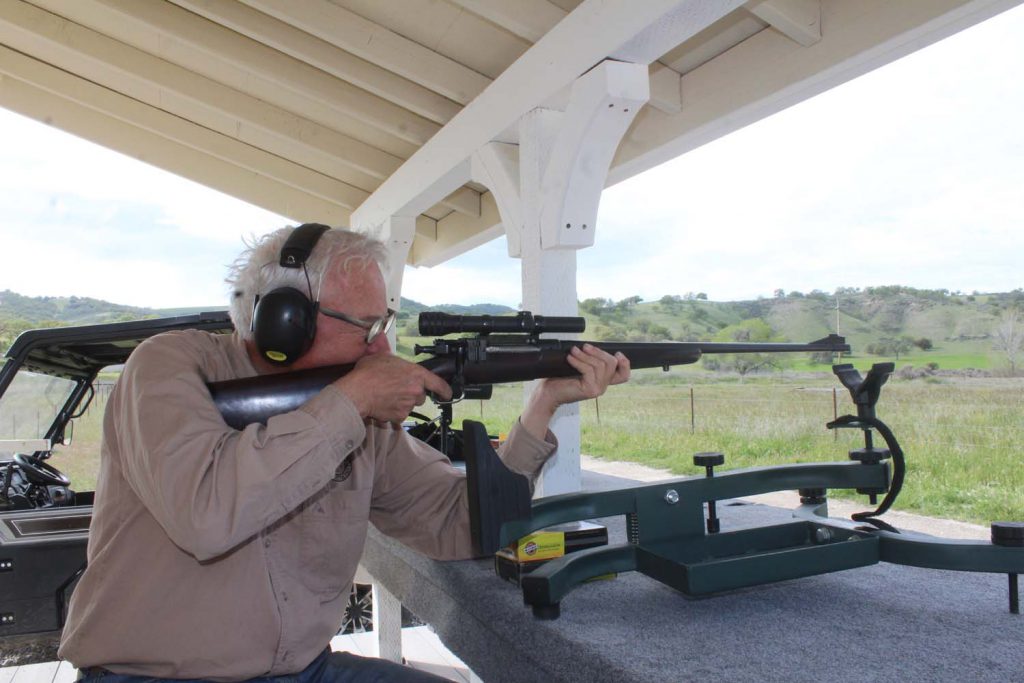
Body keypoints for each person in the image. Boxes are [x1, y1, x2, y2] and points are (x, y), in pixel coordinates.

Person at [58, 224, 630, 682]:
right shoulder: (169, 366)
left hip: (304, 668)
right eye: (366, 326)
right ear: (286, 322)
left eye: (383, 323)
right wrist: (350, 399)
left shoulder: (356, 407)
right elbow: (206, 515)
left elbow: (462, 527)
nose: (381, 347)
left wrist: (543, 407)